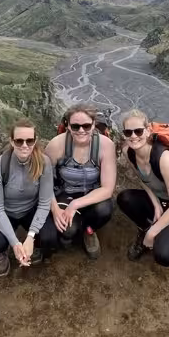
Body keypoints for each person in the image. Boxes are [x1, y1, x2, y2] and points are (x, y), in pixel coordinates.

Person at [117, 108, 169, 266]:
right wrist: (156, 203)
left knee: (164, 254)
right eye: (128, 132)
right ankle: (146, 229)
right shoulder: (128, 152)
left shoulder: (164, 159)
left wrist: (152, 233)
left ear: (148, 130)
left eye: (138, 131)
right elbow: (143, 179)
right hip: (163, 203)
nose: (133, 136)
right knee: (125, 199)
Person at [0, 118, 59, 277]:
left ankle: (33, 245)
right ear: (11, 142)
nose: (25, 145)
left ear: (35, 140)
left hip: (31, 209)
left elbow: (45, 203)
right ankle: (4, 251)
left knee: (51, 237)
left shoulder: (43, 163)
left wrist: (31, 236)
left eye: (29, 140)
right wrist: (15, 242)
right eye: (19, 141)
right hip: (5, 211)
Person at [44, 104, 117, 260]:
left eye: (86, 125)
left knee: (104, 209)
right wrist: (55, 209)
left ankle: (89, 230)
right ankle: (74, 229)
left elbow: (107, 189)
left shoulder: (105, 146)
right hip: (65, 193)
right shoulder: (56, 145)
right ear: (68, 126)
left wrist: (75, 204)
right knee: (68, 231)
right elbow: (44, 182)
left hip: (93, 193)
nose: (81, 130)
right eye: (75, 126)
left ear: (93, 125)